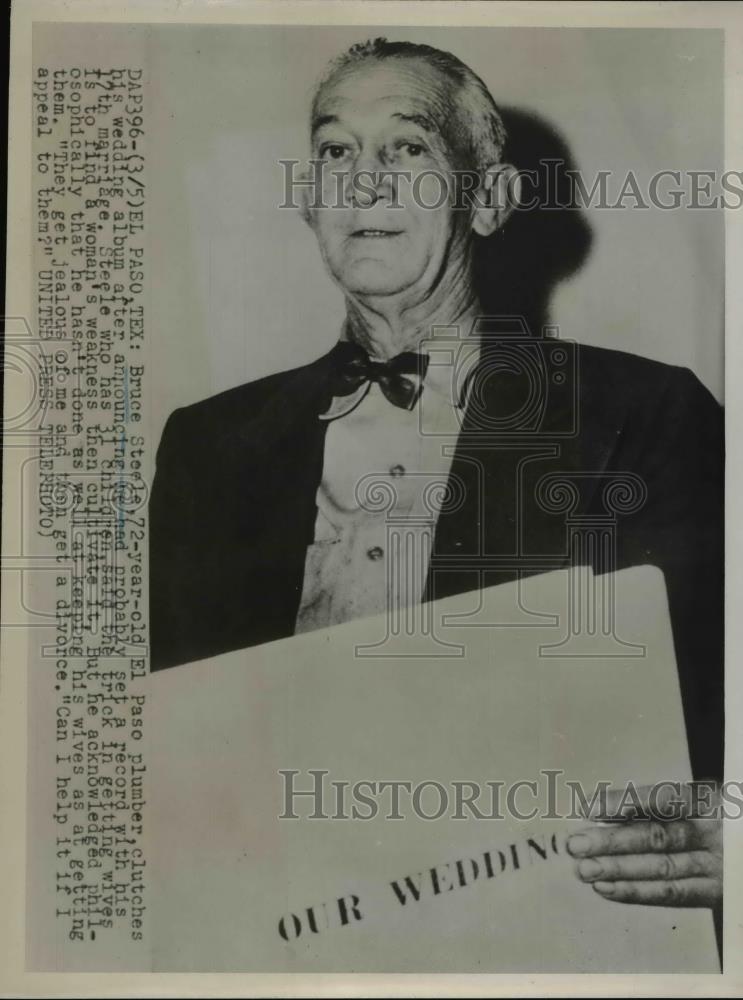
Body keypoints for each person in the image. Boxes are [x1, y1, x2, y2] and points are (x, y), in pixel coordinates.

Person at [149, 38, 723, 915]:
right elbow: (175, 753)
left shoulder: (642, 416)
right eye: (335, 151)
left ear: (488, 199)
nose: (363, 182)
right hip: (287, 927)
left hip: (550, 926)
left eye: (407, 148)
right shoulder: (208, 447)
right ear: (308, 202)